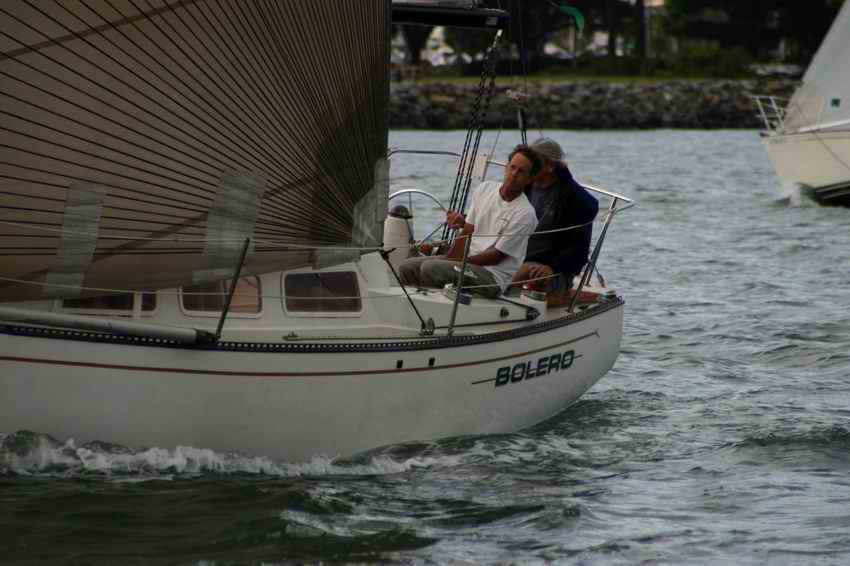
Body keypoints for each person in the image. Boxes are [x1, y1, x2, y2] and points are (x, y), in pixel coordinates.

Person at [398, 145, 540, 299]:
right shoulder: (485, 189)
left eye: (521, 171)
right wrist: (450, 259)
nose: (514, 174)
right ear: (506, 167)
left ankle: (432, 305)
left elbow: (496, 257)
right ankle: (416, 305)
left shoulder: (525, 214)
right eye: (512, 167)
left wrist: (458, 263)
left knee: (430, 268)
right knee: (407, 266)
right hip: (467, 263)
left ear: (530, 179)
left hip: (492, 276)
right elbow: (467, 232)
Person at [513, 138, 598, 301]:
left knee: (525, 271)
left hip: (547, 269)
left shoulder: (576, 201)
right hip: (512, 256)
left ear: (550, 166)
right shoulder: (523, 185)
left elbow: (579, 252)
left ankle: (498, 292)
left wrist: (552, 267)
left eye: (534, 161)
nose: (527, 165)